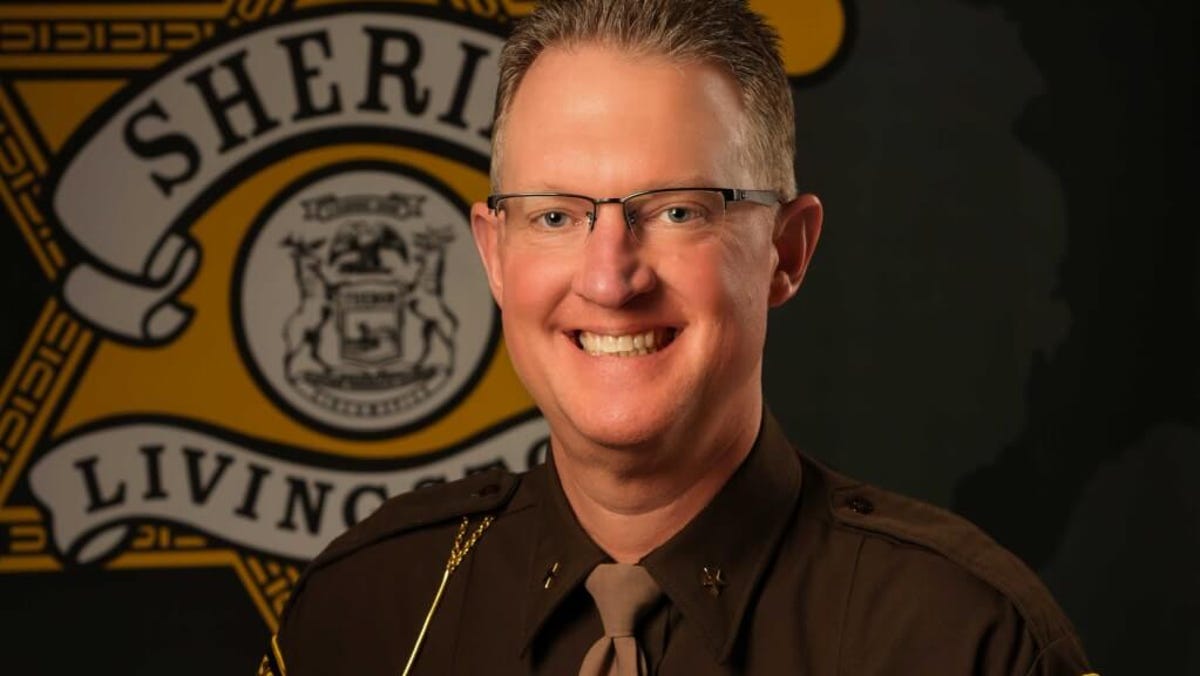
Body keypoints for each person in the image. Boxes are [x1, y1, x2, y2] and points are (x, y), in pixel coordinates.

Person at [258, 0, 1095, 674]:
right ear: (495, 256)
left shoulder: (961, 639)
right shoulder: (368, 609)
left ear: (786, 251)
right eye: (555, 216)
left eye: (678, 212)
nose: (610, 279)